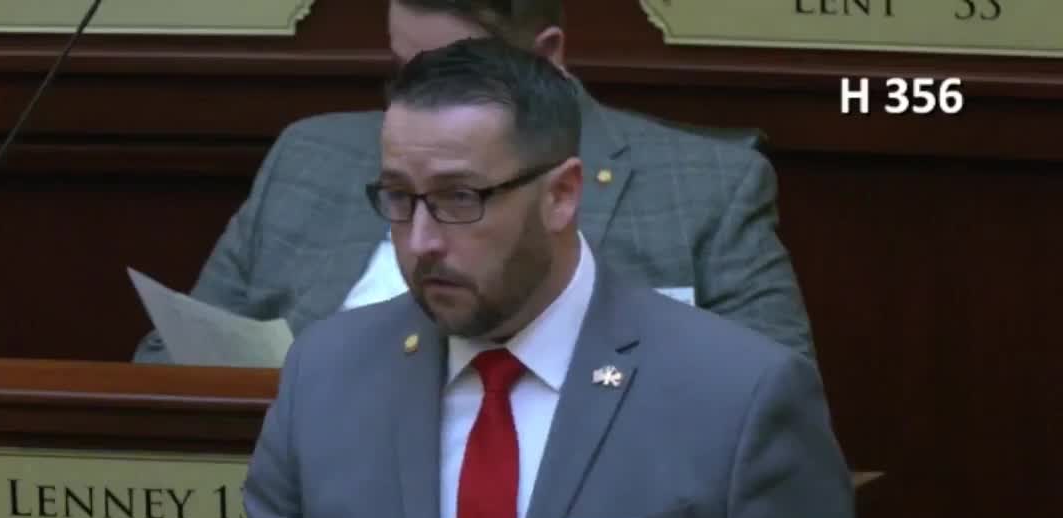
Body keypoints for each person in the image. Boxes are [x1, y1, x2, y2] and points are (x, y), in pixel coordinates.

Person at [161, 38, 874, 518]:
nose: (421, 241)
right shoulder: (327, 378)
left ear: (562, 194)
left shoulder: (739, 397)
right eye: (398, 198)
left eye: (460, 198)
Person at [133, 0, 816, 365]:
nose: (418, 103)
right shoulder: (310, 157)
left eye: (454, 75)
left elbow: (776, 406)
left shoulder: (703, 189)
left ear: (546, 57)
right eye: (404, 71)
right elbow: (167, 364)